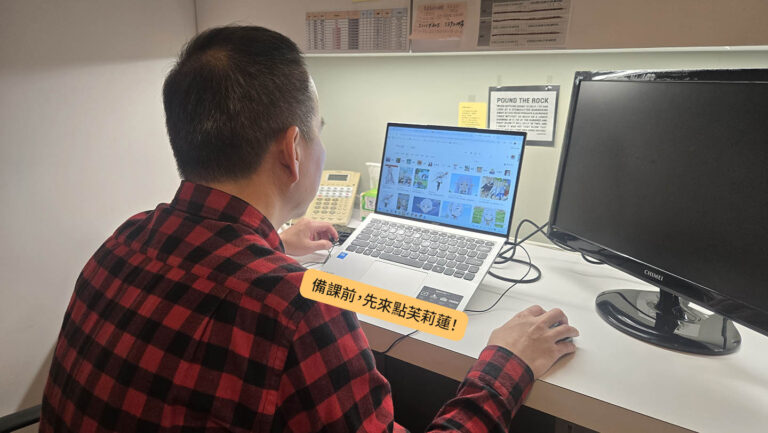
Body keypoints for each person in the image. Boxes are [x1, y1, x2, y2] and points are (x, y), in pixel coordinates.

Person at [40, 26, 579, 432]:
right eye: (318, 131)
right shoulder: (301, 310)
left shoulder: (124, 239)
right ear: (292, 150)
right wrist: (506, 366)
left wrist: (274, 243)